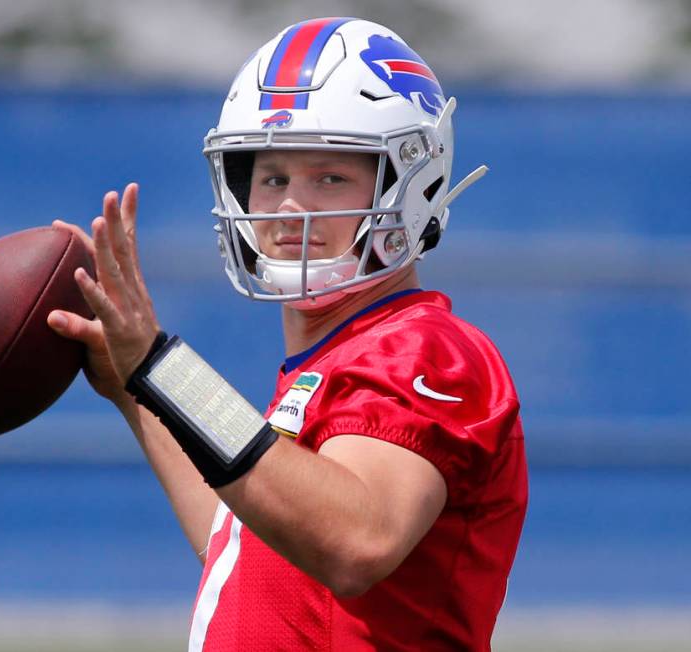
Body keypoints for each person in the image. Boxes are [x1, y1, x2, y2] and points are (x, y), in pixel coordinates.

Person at [47, 17, 527, 652]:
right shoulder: (333, 360)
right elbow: (248, 545)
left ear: (411, 185)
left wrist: (165, 369)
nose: (290, 208)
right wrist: (139, 391)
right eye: (272, 178)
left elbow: (357, 540)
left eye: (330, 177)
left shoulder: (426, 350)